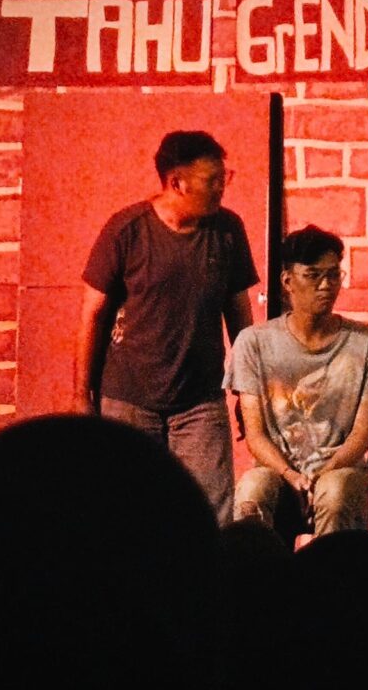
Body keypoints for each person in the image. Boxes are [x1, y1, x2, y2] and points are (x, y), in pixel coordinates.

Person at [75, 130, 257, 526]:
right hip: (128, 400)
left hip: (200, 401)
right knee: (127, 515)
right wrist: (82, 396)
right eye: (212, 179)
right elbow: (93, 314)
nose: (221, 188)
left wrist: (246, 393)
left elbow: (240, 315)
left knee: (211, 515)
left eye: (224, 177)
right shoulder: (127, 230)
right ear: (177, 182)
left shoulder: (227, 231)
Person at [226, 226, 368, 542]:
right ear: (288, 281)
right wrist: (290, 475)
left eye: (333, 275)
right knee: (251, 491)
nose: (326, 285)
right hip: (277, 469)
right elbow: (255, 434)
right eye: (313, 275)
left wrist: (324, 472)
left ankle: (326, 573)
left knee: (335, 491)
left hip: (341, 468)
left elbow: (362, 432)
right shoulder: (254, 343)